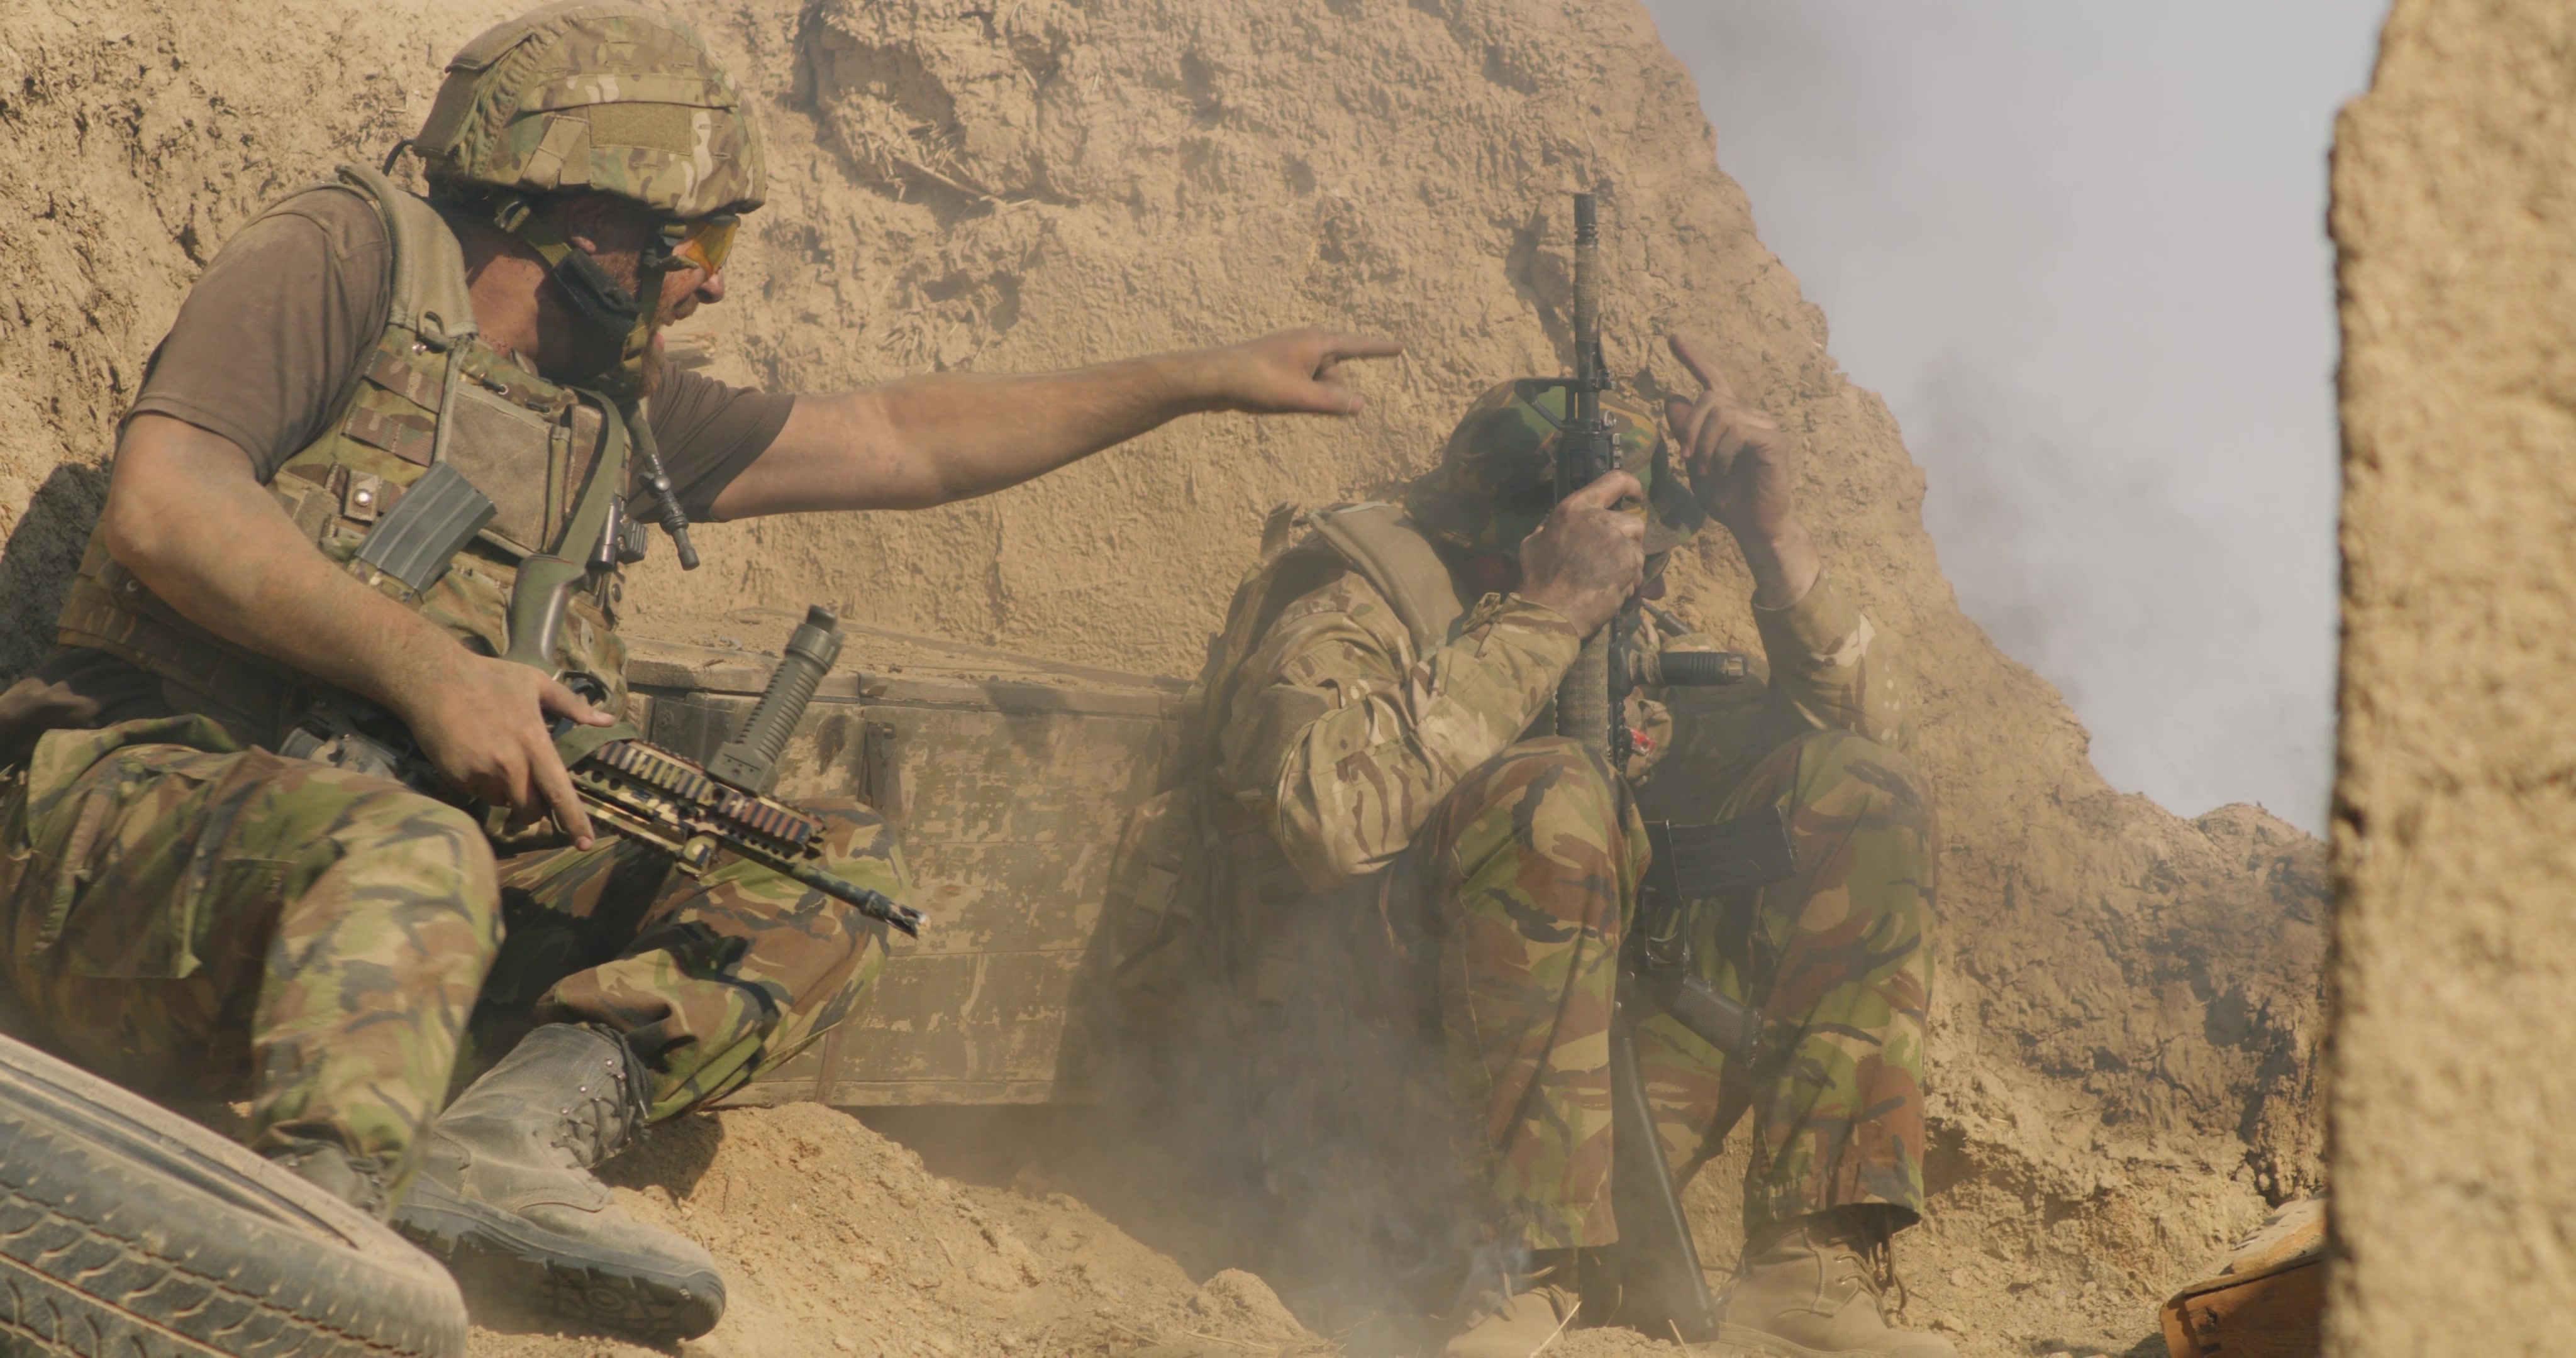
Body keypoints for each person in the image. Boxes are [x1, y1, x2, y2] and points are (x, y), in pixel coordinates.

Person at [0, 0, 1396, 1341]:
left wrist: (1199, 377)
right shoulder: (342, 258)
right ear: (589, 221)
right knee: (412, 854)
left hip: (408, 901)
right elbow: (168, 502)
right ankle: (310, 1262)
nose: (713, 281)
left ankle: (502, 1141)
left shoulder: (614, 412)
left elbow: (901, 440)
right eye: (701, 237)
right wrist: (431, 672)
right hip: (141, 834)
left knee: (820, 865)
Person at [1192, 335, 1948, 1357]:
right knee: (1550, 791)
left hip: (1605, 1091)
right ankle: (1512, 1273)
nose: (1631, 583)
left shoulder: (1627, 630)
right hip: (1379, 1102)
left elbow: (1885, 754)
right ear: (1507, 541)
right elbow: (1321, 820)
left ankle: (1804, 1276)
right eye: (1604, 552)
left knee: (1863, 791)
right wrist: (1541, 617)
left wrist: (1773, 542)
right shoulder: (1356, 607)